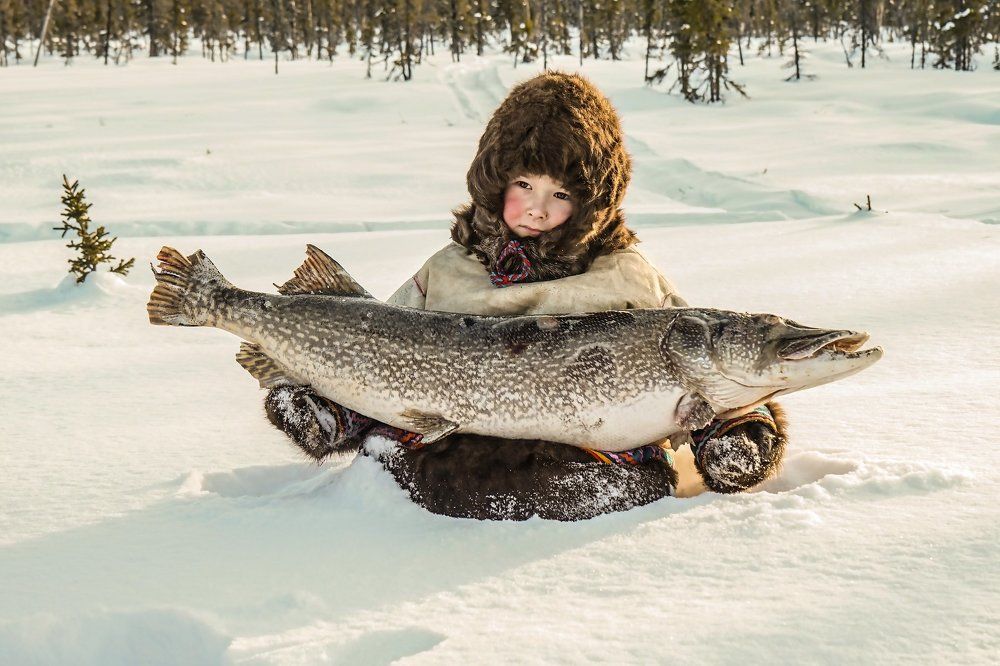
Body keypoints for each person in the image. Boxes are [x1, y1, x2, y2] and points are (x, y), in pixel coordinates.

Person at [264, 71, 787, 520]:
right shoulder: (449, 272)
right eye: (524, 185)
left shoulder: (626, 277)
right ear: (494, 183)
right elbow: (380, 348)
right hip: (453, 451)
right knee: (403, 455)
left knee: (607, 478)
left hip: (591, 457)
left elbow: (706, 363)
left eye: (561, 194)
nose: (538, 209)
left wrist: (737, 433)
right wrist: (335, 411)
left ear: (591, 205)